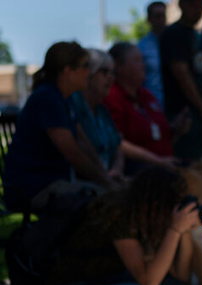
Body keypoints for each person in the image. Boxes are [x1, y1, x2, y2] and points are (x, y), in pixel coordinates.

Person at [41, 166, 200, 285]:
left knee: (167, 279)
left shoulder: (148, 219)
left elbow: (180, 275)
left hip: (106, 282)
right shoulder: (119, 215)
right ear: (153, 204)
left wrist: (184, 231)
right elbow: (150, 282)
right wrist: (175, 230)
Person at [3, 42, 123, 214]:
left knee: (114, 194)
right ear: (67, 71)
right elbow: (73, 153)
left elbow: (83, 143)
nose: (89, 72)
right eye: (85, 66)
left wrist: (105, 177)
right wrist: (106, 183)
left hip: (50, 184)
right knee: (108, 201)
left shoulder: (64, 98)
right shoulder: (48, 98)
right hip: (31, 188)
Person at [104, 42, 184, 174]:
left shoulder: (147, 96)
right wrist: (157, 161)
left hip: (166, 166)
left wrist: (176, 129)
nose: (144, 65)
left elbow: (159, 137)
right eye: (137, 61)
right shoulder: (112, 98)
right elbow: (117, 142)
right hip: (142, 173)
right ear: (119, 66)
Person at [160, 0, 202, 160]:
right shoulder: (173, 34)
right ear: (181, 5)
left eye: (200, 4)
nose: (197, 9)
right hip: (182, 116)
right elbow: (182, 75)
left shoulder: (198, 35)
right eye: (192, 4)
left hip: (201, 115)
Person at [68, 48, 125, 180]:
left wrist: (116, 171)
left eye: (113, 73)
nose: (111, 79)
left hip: (107, 180)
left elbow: (118, 149)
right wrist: (105, 180)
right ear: (88, 73)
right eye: (104, 72)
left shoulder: (102, 110)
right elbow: (77, 153)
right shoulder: (72, 106)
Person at [138, 1, 167, 106]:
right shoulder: (141, 47)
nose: (161, 20)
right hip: (152, 105)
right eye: (157, 16)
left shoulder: (174, 43)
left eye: (163, 16)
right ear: (149, 19)